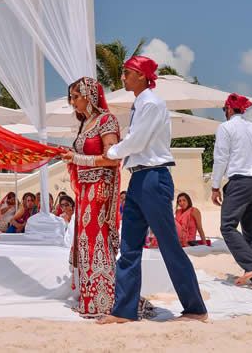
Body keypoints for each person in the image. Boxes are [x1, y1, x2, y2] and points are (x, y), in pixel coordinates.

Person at [98, 57, 207, 324]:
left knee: (169, 246)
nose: (122, 78)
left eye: (126, 73)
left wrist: (112, 151)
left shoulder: (151, 103)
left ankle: (196, 309)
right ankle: (123, 311)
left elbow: (137, 141)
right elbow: (136, 142)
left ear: (142, 76)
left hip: (153, 178)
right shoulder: (141, 104)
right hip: (139, 178)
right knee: (129, 246)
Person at [59, 77, 123, 318]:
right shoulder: (85, 124)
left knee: (97, 242)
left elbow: (112, 158)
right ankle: (91, 300)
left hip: (99, 189)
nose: (72, 101)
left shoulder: (106, 121)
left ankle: (104, 300)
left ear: (90, 95)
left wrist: (78, 159)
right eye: (71, 97)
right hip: (85, 190)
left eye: (76, 96)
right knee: (85, 242)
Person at [211, 93, 252, 287]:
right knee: (251, 231)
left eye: (224, 110)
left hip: (240, 183)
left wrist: (215, 186)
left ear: (229, 109)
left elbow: (220, 158)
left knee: (227, 226)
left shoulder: (225, 128)